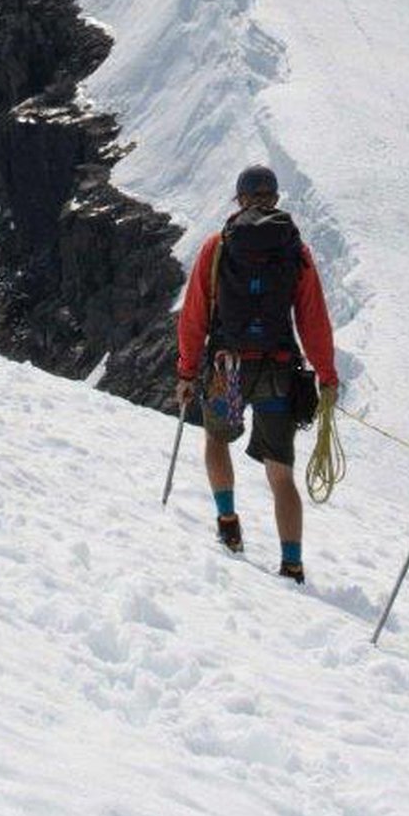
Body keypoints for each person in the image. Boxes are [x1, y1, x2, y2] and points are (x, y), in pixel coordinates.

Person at [175, 165, 339, 583]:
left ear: (240, 199)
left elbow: (194, 315)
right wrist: (326, 374)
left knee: (216, 439)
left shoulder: (218, 247)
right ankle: (292, 563)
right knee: (280, 473)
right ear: (275, 198)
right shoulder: (295, 250)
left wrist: (187, 371)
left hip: (227, 368)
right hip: (278, 369)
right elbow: (313, 319)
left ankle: (228, 522)